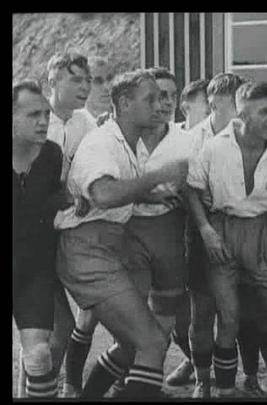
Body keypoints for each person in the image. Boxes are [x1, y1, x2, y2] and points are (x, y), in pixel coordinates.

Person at [55, 69, 188, 399]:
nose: (159, 105)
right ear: (125, 103)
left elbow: (114, 192)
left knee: (132, 345)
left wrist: (150, 196)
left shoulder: (127, 142)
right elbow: (103, 194)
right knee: (152, 342)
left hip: (104, 249)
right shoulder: (103, 142)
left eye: (162, 98)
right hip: (87, 252)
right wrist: (157, 177)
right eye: (150, 98)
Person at [186, 81, 267, 397]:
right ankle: (225, 392)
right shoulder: (215, 147)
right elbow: (192, 188)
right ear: (242, 115)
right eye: (264, 112)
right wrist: (206, 231)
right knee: (228, 320)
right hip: (224, 232)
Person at [165, 72, 247, 398]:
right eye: (233, 106)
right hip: (200, 230)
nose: (239, 113)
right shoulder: (193, 138)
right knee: (202, 313)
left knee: (233, 314)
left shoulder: (247, 135)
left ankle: (233, 381)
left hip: (239, 229)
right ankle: (202, 380)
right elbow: (187, 188)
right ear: (214, 104)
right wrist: (205, 228)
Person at [61, 55, 115, 398]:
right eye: (96, 80)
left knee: (96, 314)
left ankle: (81, 384)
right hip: (76, 229)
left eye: (108, 79)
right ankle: (69, 384)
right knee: (84, 315)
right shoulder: (71, 123)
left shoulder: (107, 123)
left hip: (110, 228)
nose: (104, 87)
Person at [45, 51, 97, 385]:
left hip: (67, 231)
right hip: (31, 235)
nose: (85, 87)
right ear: (52, 81)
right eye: (75, 79)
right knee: (50, 329)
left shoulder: (85, 123)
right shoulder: (32, 119)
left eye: (87, 80)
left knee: (59, 327)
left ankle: (58, 386)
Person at [13, 80, 66, 398]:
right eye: (33, 115)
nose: (43, 121)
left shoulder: (51, 154)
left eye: (46, 114)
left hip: (34, 269)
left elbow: (49, 200)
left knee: (39, 355)